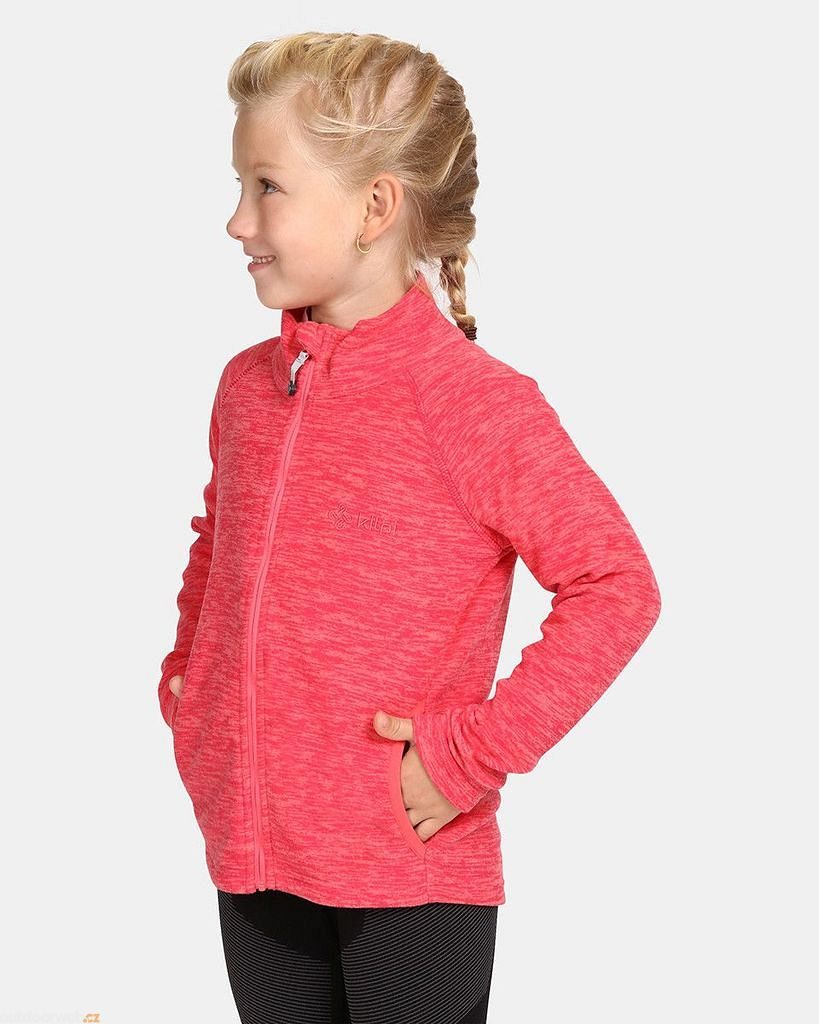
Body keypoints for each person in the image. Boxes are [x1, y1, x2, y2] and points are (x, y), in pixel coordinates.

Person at [157, 30, 662, 1024]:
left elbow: (615, 584)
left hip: (410, 864)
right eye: (239, 185)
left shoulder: (470, 404)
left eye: (268, 187)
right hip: (253, 844)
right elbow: (220, 538)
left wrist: (472, 751)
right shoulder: (248, 387)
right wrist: (193, 684)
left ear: (374, 208)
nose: (237, 220)